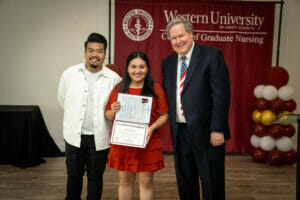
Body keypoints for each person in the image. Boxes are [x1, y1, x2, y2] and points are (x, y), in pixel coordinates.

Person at [161, 17, 231, 200]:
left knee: (212, 184)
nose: (178, 41)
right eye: (174, 38)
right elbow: (164, 95)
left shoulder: (211, 55)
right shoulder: (167, 63)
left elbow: (221, 96)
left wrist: (218, 129)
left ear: (191, 34)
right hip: (179, 132)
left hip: (208, 133)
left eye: (181, 35)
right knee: (185, 183)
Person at [57, 32, 122, 200]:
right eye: (91, 50)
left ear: (105, 53)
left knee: (95, 178)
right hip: (74, 137)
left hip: (99, 139)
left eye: (99, 51)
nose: (95, 55)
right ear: (85, 52)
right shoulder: (69, 74)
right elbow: (62, 99)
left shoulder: (114, 79)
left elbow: (116, 109)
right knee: (73, 177)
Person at [105, 51, 169, 200]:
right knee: (125, 181)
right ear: (127, 68)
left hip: (148, 142)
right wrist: (112, 111)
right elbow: (108, 115)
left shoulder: (156, 88)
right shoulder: (119, 89)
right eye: (133, 66)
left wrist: (151, 128)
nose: (137, 71)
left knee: (146, 183)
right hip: (124, 142)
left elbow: (164, 115)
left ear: (147, 69)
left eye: (142, 67)